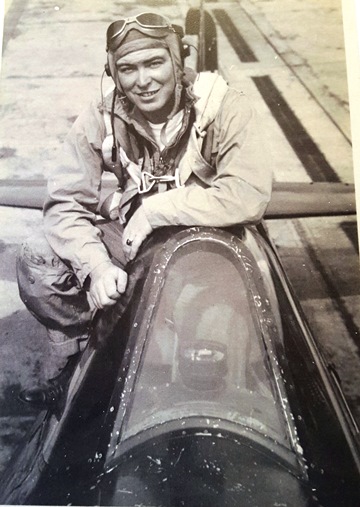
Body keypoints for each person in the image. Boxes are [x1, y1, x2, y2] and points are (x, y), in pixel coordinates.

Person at [17, 12, 272, 407]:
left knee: (213, 348)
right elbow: (65, 201)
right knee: (39, 257)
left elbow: (248, 193)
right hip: (136, 236)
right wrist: (96, 266)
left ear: (177, 61)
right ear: (114, 74)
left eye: (155, 62)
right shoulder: (103, 115)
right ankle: (76, 356)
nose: (143, 80)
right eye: (128, 69)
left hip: (210, 237)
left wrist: (157, 209)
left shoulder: (225, 107)